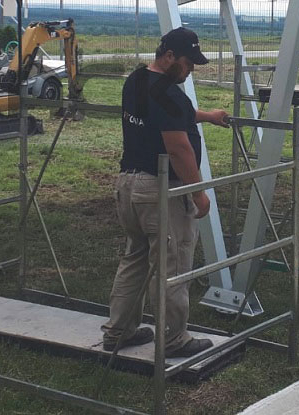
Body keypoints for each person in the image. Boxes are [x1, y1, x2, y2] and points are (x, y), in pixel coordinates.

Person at [101, 26, 230, 357]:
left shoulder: (137, 80)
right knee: (173, 265)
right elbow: (178, 148)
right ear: (169, 56)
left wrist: (208, 116)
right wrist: (199, 192)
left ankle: (118, 331)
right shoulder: (170, 93)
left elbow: (170, 117)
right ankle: (173, 339)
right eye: (188, 64)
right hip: (161, 190)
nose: (190, 72)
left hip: (129, 185)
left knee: (135, 259)